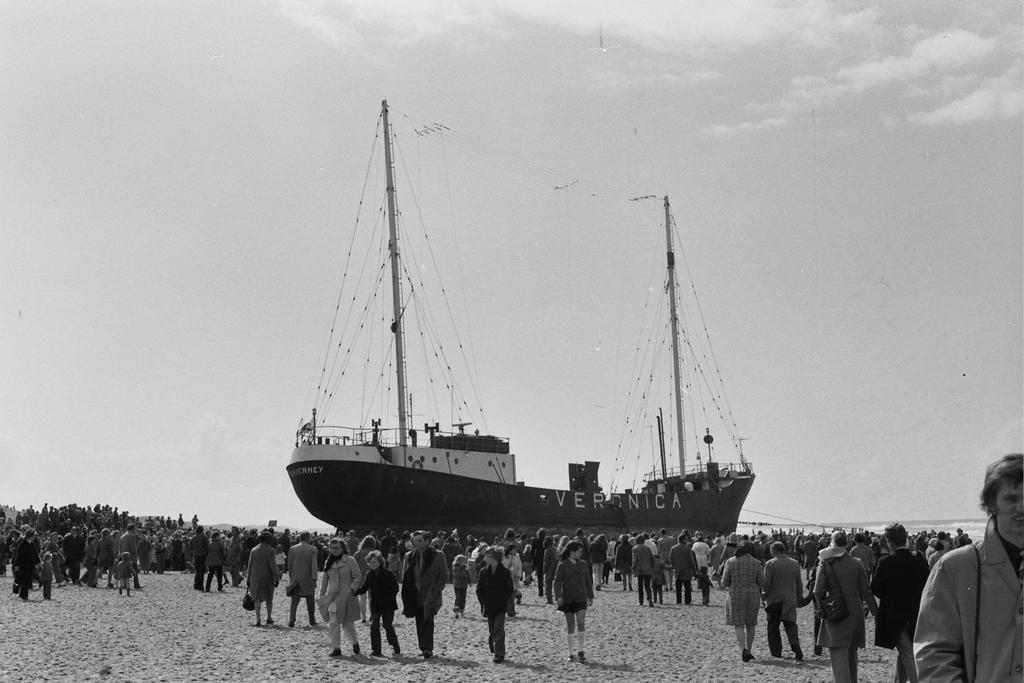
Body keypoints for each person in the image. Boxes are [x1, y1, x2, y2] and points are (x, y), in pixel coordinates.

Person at [915, 453, 1023, 682]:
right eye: (1012, 498)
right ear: (992, 504)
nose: (1022, 507)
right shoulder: (956, 567)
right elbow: (933, 653)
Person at [814, 531, 878, 683]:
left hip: (836, 609)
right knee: (851, 655)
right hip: (854, 610)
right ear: (847, 543)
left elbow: (818, 590)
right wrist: (875, 612)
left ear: (832, 542)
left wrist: (821, 608)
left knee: (838, 657)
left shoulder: (825, 562)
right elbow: (867, 591)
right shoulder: (856, 563)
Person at [870, 522, 929, 683]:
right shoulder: (919, 559)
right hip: (917, 612)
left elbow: (875, 588)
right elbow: (928, 584)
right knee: (906, 651)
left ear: (890, 542)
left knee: (907, 653)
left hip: (894, 613)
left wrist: (891, 594)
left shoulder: (886, 562)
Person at [401, 530, 448, 659]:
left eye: (420, 541)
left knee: (428, 620)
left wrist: (435, 590)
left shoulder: (438, 555)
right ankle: (423, 647)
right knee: (419, 620)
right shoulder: (409, 556)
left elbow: (444, 576)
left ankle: (428, 648)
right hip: (415, 594)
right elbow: (404, 575)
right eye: (415, 541)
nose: (417, 543)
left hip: (431, 594)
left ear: (427, 541)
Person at [320, 537, 362, 657]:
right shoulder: (329, 562)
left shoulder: (350, 560)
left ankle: (355, 643)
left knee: (348, 624)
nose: (334, 550)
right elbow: (324, 580)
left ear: (343, 548)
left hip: (348, 597)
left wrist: (352, 589)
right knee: (333, 623)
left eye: (336, 547)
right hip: (333, 598)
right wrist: (322, 596)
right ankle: (336, 648)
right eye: (332, 548)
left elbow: (358, 577)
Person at [723, 541, 764, 662]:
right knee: (751, 624)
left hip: (736, 594)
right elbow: (762, 582)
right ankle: (750, 651)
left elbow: (725, 581)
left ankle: (743, 649)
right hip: (752, 595)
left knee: (739, 623)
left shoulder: (730, 562)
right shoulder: (756, 563)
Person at [762, 541, 804, 660]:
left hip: (774, 600)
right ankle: (795, 646)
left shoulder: (770, 564)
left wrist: (764, 595)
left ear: (774, 550)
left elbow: (767, 583)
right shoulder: (795, 563)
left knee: (773, 626)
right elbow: (799, 583)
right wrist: (799, 596)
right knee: (790, 624)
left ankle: (776, 651)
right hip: (790, 598)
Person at [553, 540, 594, 663]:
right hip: (568, 598)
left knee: (581, 623)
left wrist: (590, 596)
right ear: (572, 552)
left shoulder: (583, 564)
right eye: (579, 552)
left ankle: (581, 651)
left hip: (581, 597)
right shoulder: (563, 565)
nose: (581, 554)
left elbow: (588, 581)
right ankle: (571, 653)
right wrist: (558, 596)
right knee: (571, 625)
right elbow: (557, 582)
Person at [355, 549, 400, 657]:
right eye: (370, 562)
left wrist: (388, 597)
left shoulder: (388, 573)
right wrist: (354, 592)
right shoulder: (369, 574)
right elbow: (364, 587)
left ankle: (395, 645)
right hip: (375, 605)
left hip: (388, 605)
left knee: (387, 625)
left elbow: (395, 588)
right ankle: (376, 650)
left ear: (380, 561)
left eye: (374, 562)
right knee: (374, 626)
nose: (372, 564)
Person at [477, 546, 515, 663]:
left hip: (500, 606)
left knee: (499, 629)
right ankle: (495, 650)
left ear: (494, 558)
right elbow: (479, 589)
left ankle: (499, 653)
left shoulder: (505, 572)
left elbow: (509, 589)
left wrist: (503, 600)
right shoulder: (483, 572)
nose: (485, 558)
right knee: (492, 630)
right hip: (488, 605)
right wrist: (483, 601)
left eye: (487, 556)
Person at [286, 531, 319, 628]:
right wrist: (314, 578)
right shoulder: (312, 549)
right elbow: (314, 565)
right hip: (307, 577)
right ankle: (312, 620)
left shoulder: (292, 548)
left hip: (295, 577)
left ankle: (291, 620)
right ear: (308, 538)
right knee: (310, 599)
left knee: (294, 601)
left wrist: (291, 576)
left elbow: (289, 565)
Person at [246, 531, 279, 627]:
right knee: (269, 598)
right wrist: (276, 578)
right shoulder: (271, 550)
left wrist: (248, 579)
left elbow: (250, 565)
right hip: (267, 578)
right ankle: (268, 617)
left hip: (255, 577)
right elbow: (273, 566)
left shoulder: (254, 550)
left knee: (256, 599)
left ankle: (258, 619)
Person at [669, 533, 698, 605]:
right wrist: (694, 570)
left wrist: (673, 566)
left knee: (678, 587)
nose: (687, 540)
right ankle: (687, 601)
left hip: (677, 569)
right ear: (683, 539)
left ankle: (678, 601)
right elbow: (691, 561)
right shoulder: (688, 549)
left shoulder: (673, 548)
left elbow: (671, 559)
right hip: (686, 570)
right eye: (686, 539)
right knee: (687, 586)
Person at [13, 528, 41, 600]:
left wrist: (38, 563)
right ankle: (24, 595)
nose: (34, 536)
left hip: (31, 565)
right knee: (24, 580)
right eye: (33, 535)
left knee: (26, 580)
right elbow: (18, 556)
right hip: (23, 565)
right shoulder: (22, 545)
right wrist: (17, 565)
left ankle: (20, 592)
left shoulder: (32, 544)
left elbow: (35, 555)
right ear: (30, 536)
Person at [632, 533, 655, 607]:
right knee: (647, 585)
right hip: (648, 569)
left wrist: (633, 567)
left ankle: (641, 601)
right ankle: (650, 598)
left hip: (640, 569)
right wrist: (652, 567)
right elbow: (652, 559)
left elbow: (635, 560)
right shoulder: (647, 548)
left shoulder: (635, 548)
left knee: (640, 586)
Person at [190, 526, 209, 591]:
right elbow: (207, 547)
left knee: (197, 571)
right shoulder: (204, 537)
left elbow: (191, 548)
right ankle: (200, 586)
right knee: (202, 571)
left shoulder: (193, 538)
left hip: (196, 555)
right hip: (203, 556)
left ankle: (196, 585)